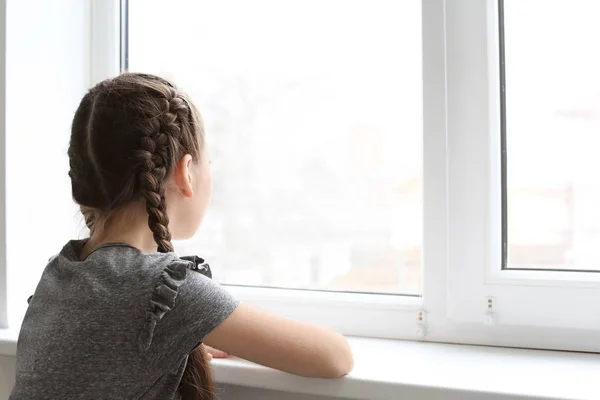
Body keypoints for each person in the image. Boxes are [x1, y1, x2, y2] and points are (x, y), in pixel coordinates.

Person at [10, 73, 353, 400]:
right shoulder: (164, 290)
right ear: (185, 172)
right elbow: (335, 357)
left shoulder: (59, 274)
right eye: (208, 161)